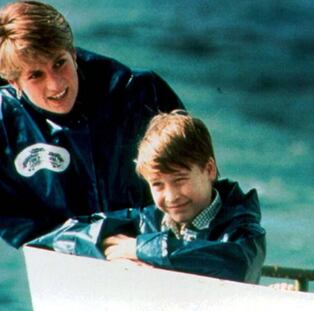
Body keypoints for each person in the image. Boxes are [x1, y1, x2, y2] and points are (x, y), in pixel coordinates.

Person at [0, 1, 183, 248]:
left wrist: (142, 247)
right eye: (35, 75)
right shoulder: (5, 120)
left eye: (59, 63)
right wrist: (90, 241)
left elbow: (195, 181)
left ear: (73, 54)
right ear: (14, 83)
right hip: (65, 256)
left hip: (153, 247)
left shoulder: (140, 94)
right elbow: (11, 216)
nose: (55, 85)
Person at [101, 110, 266, 283]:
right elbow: (72, 233)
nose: (171, 197)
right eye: (158, 184)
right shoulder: (147, 221)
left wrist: (142, 249)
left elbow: (236, 265)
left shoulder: (243, 231)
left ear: (209, 169)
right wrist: (119, 257)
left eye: (180, 180)